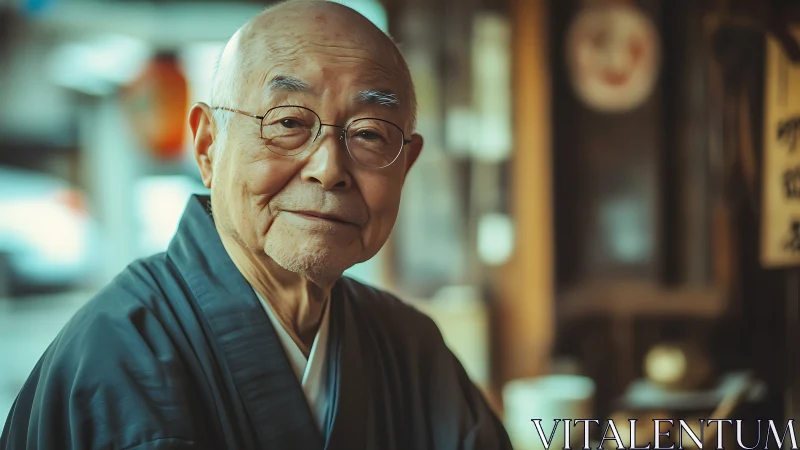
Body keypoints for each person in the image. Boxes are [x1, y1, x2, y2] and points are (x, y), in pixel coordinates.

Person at [1, 1, 513, 449]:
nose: (329, 168)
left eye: (372, 134)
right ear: (207, 146)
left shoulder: (412, 350)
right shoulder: (119, 359)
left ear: (406, 165)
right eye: (289, 122)